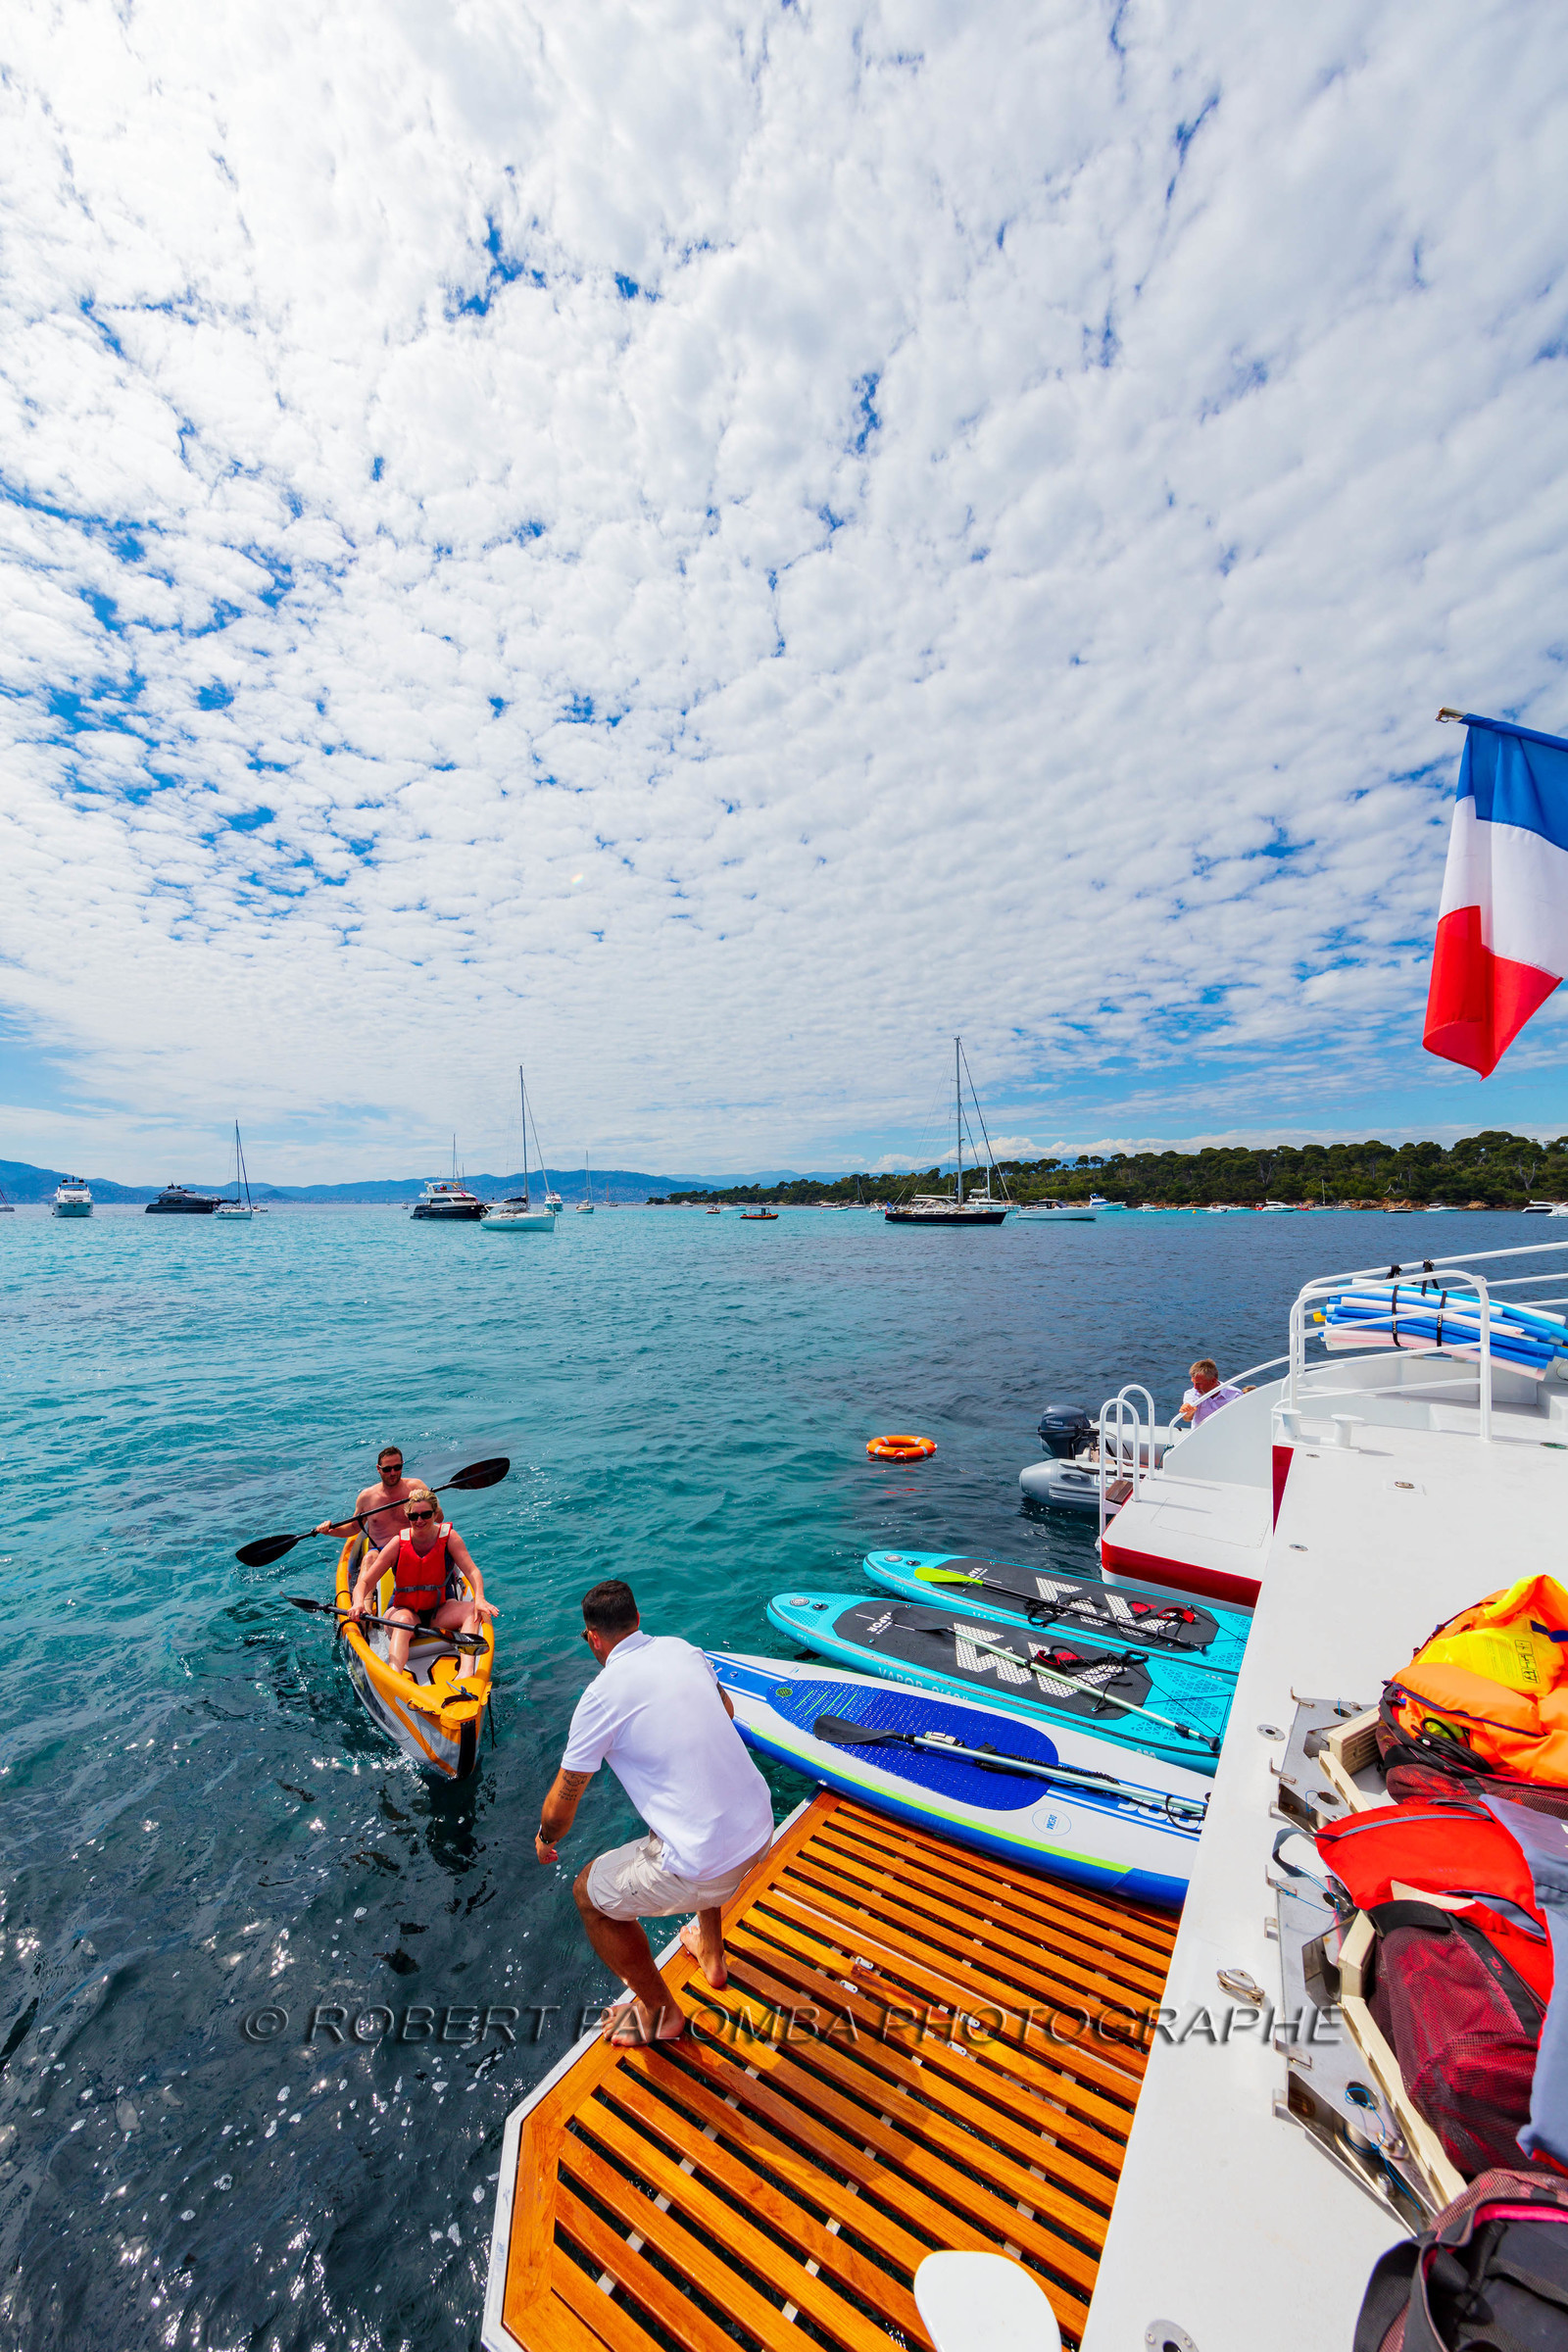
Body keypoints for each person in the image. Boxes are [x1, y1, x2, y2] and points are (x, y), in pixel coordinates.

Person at [534, 1580, 774, 2047]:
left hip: (710, 1865)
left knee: (588, 1896)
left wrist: (546, 1838)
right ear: (637, 1620)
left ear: (593, 1638)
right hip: (760, 1829)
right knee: (687, 1822)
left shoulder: (599, 1697)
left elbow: (562, 1807)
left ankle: (660, 2014)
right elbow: (725, 1709)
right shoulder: (683, 1650)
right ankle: (712, 1956)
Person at [348, 1483, 496, 1672]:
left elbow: (472, 1571)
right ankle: (395, 1675)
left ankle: (466, 1674)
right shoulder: (397, 1544)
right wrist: (358, 1602)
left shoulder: (450, 1538)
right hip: (403, 1612)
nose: (419, 1521)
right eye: (413, 1516)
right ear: (407, 1516)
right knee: (403, 1622)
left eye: (425, 1515)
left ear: (435, 1515)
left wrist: (480, 1599)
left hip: (438, 1611)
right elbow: (365, 1582)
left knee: (473, 1612)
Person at [317, 1445, 420, 1549]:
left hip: (411, 1547)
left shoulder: (417, 1487)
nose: (392, 1473)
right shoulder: (366, 1497)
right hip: (379, 1550)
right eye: (387, 1469)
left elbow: (437, 1517)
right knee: (369, 1559)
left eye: (397, 1467)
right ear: (378, 1469)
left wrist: (424, 1500)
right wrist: (330, 1530)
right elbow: (353, 1527)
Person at [1177, 1358, 1244, 1428]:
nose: (1195, 1387)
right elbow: (1187, 1419)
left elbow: (1242, 1418)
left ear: (1213, 1381)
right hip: (1201, 1435)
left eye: (1199, 1383)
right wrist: (1187, 1412)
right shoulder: (1191, 1394)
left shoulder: (1235, 1394)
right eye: (1193, 1382)